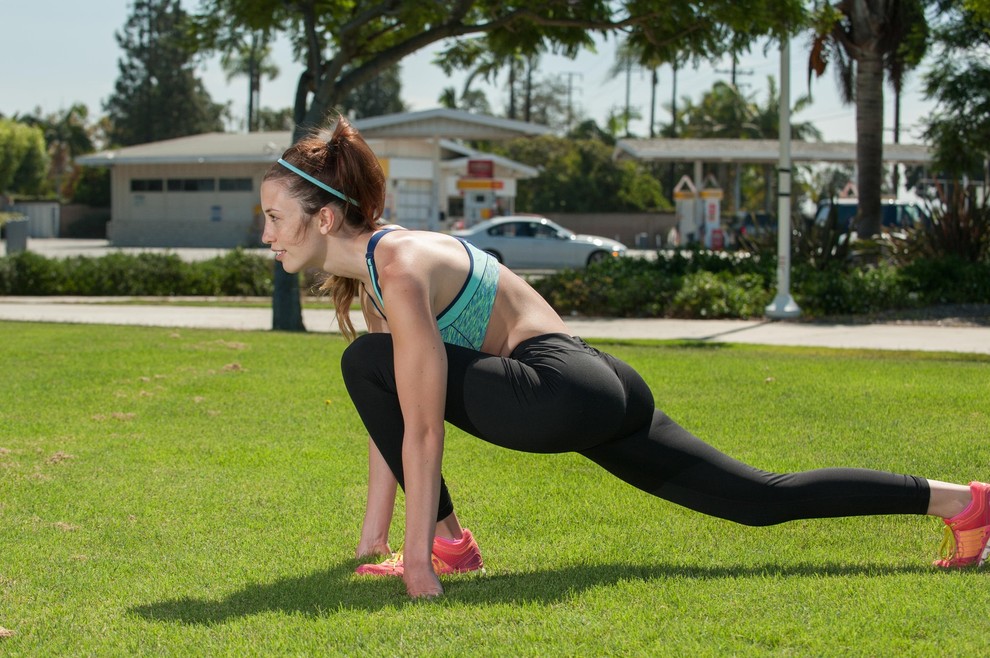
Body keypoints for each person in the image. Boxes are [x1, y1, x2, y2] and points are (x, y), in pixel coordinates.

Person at [260, 115, 990, 599]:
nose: (266, 234)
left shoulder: (402, 266)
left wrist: (416, 566)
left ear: (323, 217)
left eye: (274, 217)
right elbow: (391, 411)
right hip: (600, 383)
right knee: (760, 501)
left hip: (558, 391)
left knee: (363, 364)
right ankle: (964, 503)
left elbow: (421, 428)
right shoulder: (390, 266)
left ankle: (448, 548)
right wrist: (372, 540)